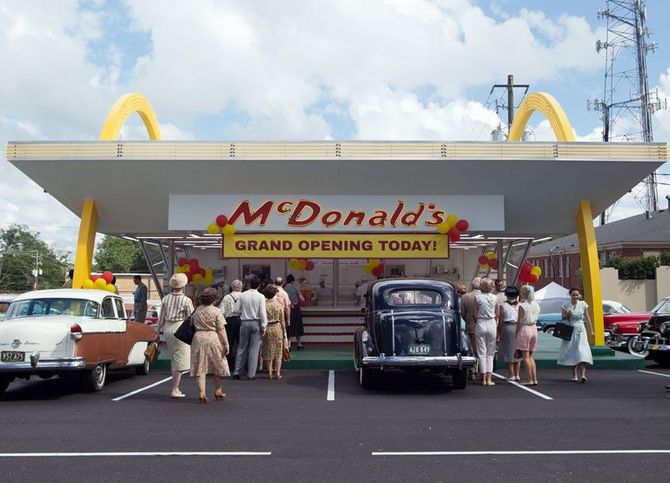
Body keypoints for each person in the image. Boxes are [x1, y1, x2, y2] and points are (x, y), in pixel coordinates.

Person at [156, 273, 194, 398]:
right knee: (180, 360)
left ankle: (176, 388)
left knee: (174, 358)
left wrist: (157, 332)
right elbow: (191, 318)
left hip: (168, 327)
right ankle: (175, 389)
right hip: (180, 327)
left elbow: (161, 317)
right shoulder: (186, 300)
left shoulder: (165, 299)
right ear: (183, 285)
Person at [190, 287, 230, 404]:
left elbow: (192, 323)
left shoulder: (197, 310)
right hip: (213, 338)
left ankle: (202, 393)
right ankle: (218, 390)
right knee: (218, 364)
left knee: (200, 366)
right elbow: (221, 329)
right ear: (214, 299)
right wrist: (226, 344)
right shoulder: (216, 311)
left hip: (198, 338)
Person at [233, 276, 268, 380]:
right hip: (255, 323)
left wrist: (244, 311)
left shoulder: (242, 295)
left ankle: (237, 371)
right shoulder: (261, 296)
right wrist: (264, 325)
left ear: (249, 284)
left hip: (244, 322)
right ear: (259, 285)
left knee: (242, 347)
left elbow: (236, 309)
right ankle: (251, 374)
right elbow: (262, 313)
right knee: (254, 349)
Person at [558, 288, 594, 382]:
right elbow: (563, 318)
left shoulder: (583, 304)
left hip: (581, 329)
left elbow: (587, 317)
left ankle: (583, 375)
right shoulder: (565, 305)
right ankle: (574, 375)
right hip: (571, 329)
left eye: (577, 295)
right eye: (573, 295)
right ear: (570, 295)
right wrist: (568, 313)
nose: (575, 297)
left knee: (582, 351)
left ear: (579, 295)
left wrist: (591, 330)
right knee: (572, 350)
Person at [474, 278, 497, 386]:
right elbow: (497, 313)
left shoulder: (477, 298)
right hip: (491, 322)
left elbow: (474, 314)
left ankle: (483, 378)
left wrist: (478, 321)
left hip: (481, 322)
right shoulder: (495, 298)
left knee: (481, 353)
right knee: (490, 354)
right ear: (491, 287)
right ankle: (489, 378)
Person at [261, 285, 287, 380]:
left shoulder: (263, 305)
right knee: (278, 350)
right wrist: (284, 332)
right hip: (277, 327)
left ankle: (270, 372)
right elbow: (282, 321)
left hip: (267, 328)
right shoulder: (278, 305)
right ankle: (278, 373)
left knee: (268, 349)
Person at [516, 284, 540, 386]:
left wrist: (516, 333)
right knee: (530, 356)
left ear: (523, 293)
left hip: (525, 329)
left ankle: (529, 379)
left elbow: (520, 321)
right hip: (534, 328)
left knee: (525, 357)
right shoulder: (536, 304)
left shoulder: (522, 305)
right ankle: (534, 379)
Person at [497, 286, 520, 381]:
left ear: (506, 295)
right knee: (517, 351)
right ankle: (517, 374)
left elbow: (501, 320)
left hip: (507, 327)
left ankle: (511, 374)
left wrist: (498, 330)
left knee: (508, 351)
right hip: (518, 327)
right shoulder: (520, 305)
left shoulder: (503, 306)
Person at [460, 277, 481, 379]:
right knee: (483, 350)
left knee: (472, 349)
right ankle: (484, 372)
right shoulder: (489, 297)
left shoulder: (465, 297)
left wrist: (468, 320)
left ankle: (472, 371)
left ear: (472, 285)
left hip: (471, 325)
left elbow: (462, 313)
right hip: (486, 325)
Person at [220, 280, 242, 370]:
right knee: (241, 344)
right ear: (241, 287)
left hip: (229, 321)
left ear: (232, 287)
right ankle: (240, 365)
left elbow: (221, 311)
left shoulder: (226, 297)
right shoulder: (243, 296)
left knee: (229, 343)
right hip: (241, 320)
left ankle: (229, 365)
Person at [284, 274, 305, 350]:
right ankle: (299, 343)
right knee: (298, 325)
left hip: (287, 308)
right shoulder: (296, 288)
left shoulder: (283, 289)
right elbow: (302, 299)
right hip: (295, 308)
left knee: (289, 326)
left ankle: (289, 344)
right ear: (292, 281)